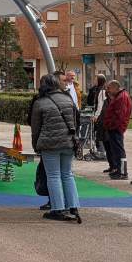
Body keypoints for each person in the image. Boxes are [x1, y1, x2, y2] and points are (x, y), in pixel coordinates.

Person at [29, 73, 81, 223]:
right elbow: (75, 121)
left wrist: (36, 145)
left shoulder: (40, 102)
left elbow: (36, 128)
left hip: (49, 144)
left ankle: (57, 208)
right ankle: (73, 206)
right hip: (68, 142)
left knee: (53, 176)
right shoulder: (68, 99)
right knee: (67, 174)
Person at [100, 80, 132, 180]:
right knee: (117, 150)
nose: (107, 90)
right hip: (115, 127)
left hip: (116, 128)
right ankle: (119, 170)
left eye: (109, 88)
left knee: (119, 151)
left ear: (115, 87)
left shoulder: (121, 97)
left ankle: (122, 172)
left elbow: (120, 115)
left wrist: (112, 125)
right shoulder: (119, 96)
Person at [88, 74, 108, 159]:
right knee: (98, 133)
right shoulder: (97, 89)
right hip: (101, 115)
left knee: (100, 133)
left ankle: (102, 152)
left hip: (101, 116)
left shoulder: (102, 91)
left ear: (100, 81)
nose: (94, 81)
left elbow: (101, 105)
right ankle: (101, 151)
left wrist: (96, 116)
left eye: (96, 79)